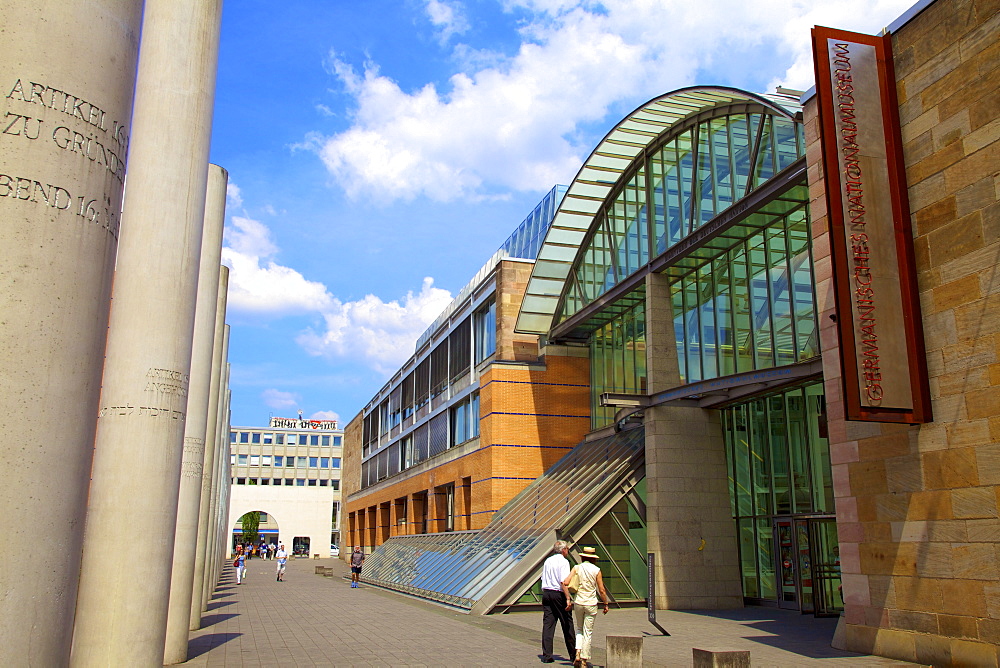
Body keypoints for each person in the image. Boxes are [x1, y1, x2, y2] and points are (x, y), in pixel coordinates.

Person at [562, 547, 609, 668]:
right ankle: (584, 659)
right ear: (593, 558)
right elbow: (602, 590)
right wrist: (606, 604)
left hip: (578, 602)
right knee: (588, 632)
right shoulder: (597, 570)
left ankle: (577, 653)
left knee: (579, 629)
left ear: (582, 556)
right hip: (591, 603)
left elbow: (565, 582)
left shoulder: (577, 567)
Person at [540, 540, 576, 664]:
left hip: (547, 593)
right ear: (563, 550)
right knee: (567, 624)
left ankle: (547, 655)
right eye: (567, 548)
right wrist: (568, 598)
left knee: (548, 625)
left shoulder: (548, 561)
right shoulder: (564, 562)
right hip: (558, 594)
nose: (568, 550)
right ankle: (573, 655)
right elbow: (563, 582)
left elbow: (542, 577)